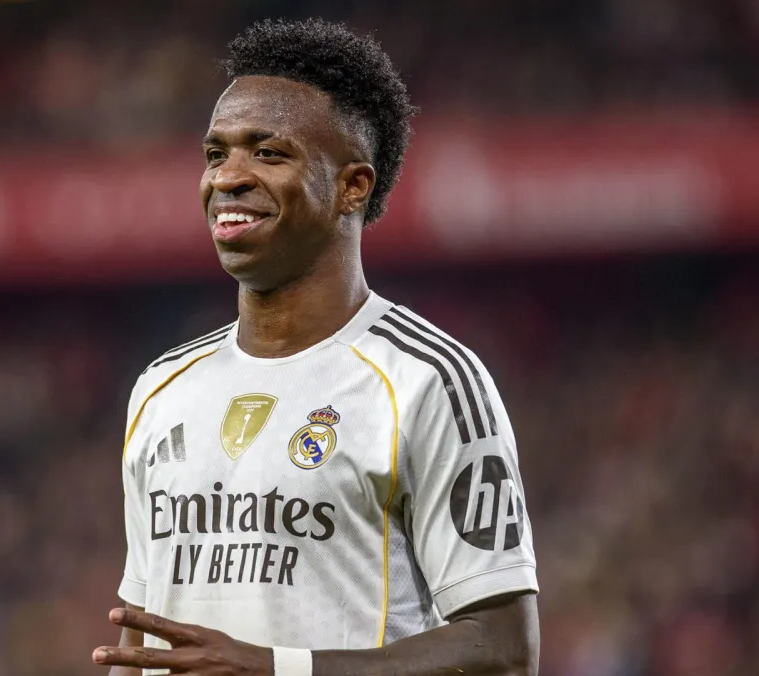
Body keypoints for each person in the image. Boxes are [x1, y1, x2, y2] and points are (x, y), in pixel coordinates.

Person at [94, 18, 539, 676]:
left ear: (353, 187)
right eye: (216, 154)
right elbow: (142, 642)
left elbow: (503, 650)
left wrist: (280, 669)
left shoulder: (429, 380)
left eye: (269, 154)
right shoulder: (161, 389)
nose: (228, 177)